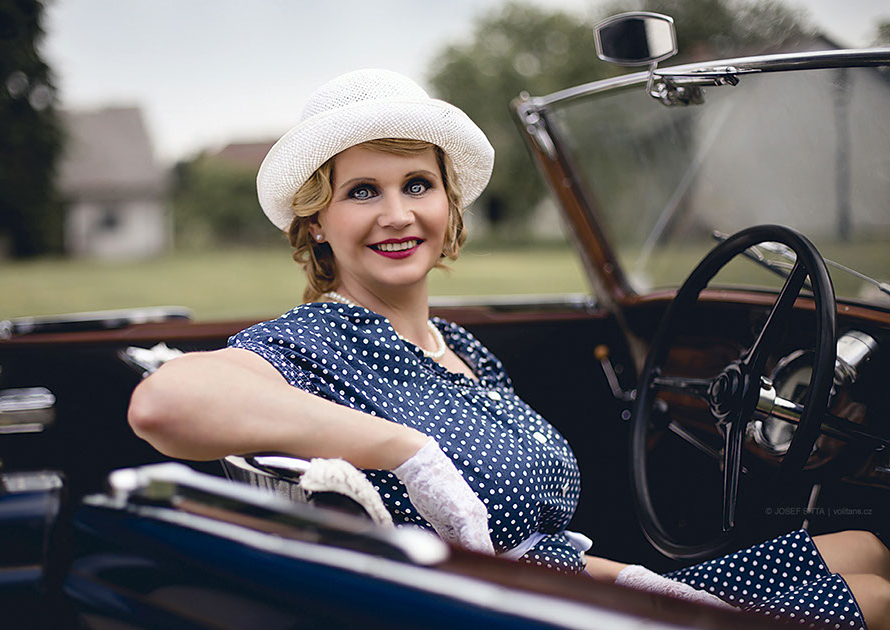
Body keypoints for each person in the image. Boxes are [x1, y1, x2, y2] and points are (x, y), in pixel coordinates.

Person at [128, 69, 890, 628]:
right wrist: (403, 451)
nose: (397, 214)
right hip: (505, 617)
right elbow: (164, 401)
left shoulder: (462, 350)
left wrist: (640, 583)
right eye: (362, 191)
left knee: (861, 545)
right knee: (875, 600)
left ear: (448, 204)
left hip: (570, 592)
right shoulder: (316, 341)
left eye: (416, 184)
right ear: (317, 224)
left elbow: (539, 545)